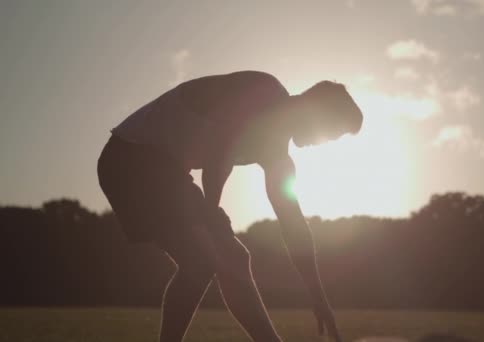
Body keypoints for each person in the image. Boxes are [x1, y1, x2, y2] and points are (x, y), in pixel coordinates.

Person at [97, 70, 363, 342]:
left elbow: (293, 225)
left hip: (163, 170)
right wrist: (211, 213)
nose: (323, 143)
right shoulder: (264, 91)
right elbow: (219, 152)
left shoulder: (278, 156)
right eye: (331, 133)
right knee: (203, 262)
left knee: (233, 259)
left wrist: (319, 298)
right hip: (130, 159)